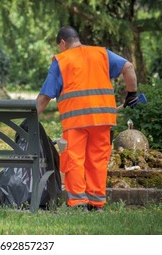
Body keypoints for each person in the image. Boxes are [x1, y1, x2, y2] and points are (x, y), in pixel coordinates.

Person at [36, 26, 138, 211]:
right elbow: (128, 67)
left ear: (63, 43)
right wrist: (132, 94)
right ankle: (96, 203)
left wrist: (31, 118)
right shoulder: (101, 54)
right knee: (97, 160)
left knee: (74, 159)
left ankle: (77, 203)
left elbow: (45, 96)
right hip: (102, 119)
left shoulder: (62, 60)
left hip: (76, 121)